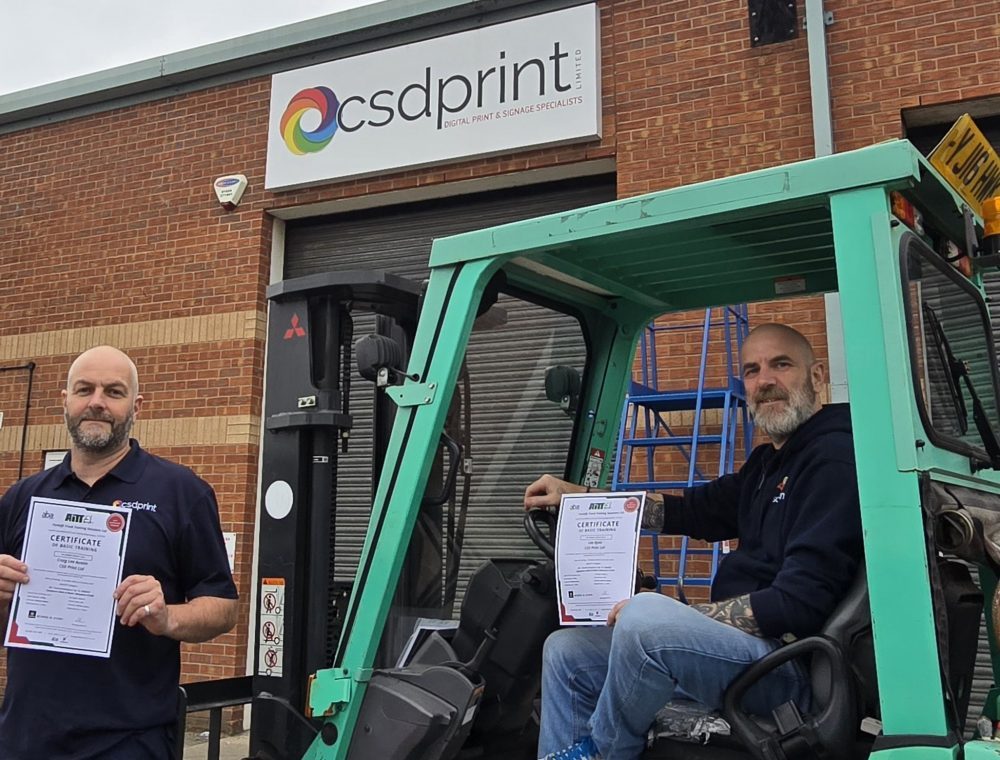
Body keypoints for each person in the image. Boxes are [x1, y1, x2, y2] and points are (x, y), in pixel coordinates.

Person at [523, 323, 863, 760]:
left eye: (781, 365)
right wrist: (581, 497)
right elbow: (690, 511)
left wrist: (682, 616)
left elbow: (800, 602)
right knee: (567, 651)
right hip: (744, 655)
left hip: (785, 666)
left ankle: (600, 752)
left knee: (645, 621)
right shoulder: (767, 463)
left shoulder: (833, 458)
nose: (766, 381)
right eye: (753, 370)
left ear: (816, 376)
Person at [0, 346, 239, 759]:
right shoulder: (24, 497)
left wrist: (167, 616)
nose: (96, 402)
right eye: (84, 389)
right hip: (26, 736)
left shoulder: (181, 493)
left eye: (113, 391)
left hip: (128, 740)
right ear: (65, 400)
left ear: (136, 406)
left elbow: (223, 607)